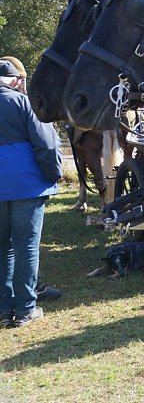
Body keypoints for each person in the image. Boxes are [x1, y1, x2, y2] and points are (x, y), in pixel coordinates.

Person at [0, 59, 63, 328]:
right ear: (16, 81)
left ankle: (4, 310)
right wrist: (54, 173)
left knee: (3, 248)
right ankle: (26, 309)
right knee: (26, 245)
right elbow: (46, 144)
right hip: (26, 185)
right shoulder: (24, 103)